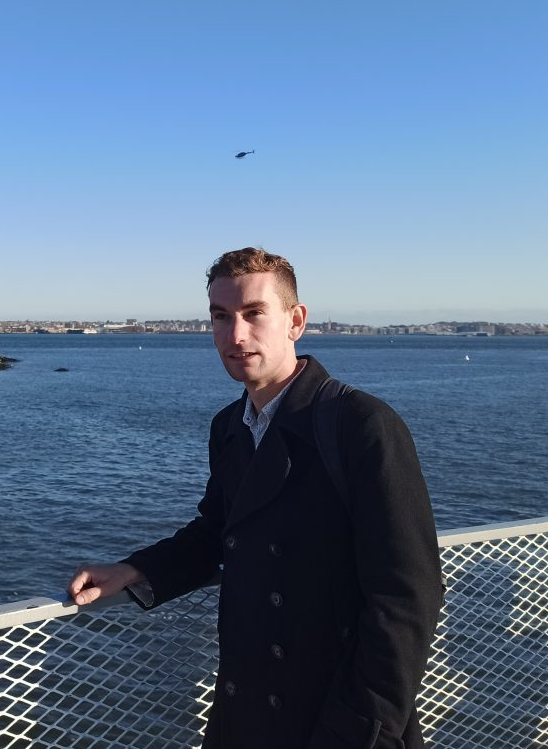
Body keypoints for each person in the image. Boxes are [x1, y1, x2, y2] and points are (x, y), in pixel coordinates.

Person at [68, 248, 443, 748]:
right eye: (220, 317)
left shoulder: (361, 424)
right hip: (245, 709)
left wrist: (360, 728)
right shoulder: (229, 427)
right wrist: (137, 570)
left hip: (337, 716)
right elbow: (217, 532)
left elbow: (408, 596)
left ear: (296, 321)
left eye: (253, 314)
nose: (235, 335)